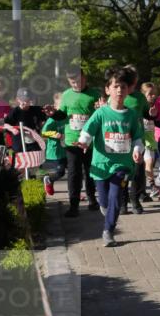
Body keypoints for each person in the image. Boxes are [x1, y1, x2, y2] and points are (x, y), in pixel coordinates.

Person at [77, 67, 145, 247]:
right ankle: (107, 210)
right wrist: (84, 142)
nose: (119, 90)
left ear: (128, 89)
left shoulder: (131, 115)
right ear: (107, 90)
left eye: (123, 86)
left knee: (116, 196)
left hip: (121, 165)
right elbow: (87, 131)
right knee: (105, 201)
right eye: (115, 86)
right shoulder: (101, 113)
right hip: (101, 164)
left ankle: (108, 231)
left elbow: (137, 137)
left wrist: (138, 150)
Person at [53, 70, 101, 217]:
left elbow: (101, 114)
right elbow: (62, 114)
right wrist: (52, 114)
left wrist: (101, 108)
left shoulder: (94, 94)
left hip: (90, 141)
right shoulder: (66, 95)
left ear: (85, 78)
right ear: (69, 82)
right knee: (74, 173)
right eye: (73, 82)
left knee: (90, 171)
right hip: (72, 141)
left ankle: (93, 200)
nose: (77, 84)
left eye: (79, 81)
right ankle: (74, 205)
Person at [122, 66, 150, 213]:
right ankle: (123, 202)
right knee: (124, 172)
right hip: (120, 141)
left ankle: (134, 199)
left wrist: (152, 113)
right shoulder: (118, 96)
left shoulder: (140, 97)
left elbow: (147, 113)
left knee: (138, 172)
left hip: (138, 139)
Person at [41, 91, 68, 195]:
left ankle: (75, 191)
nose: (61, 108)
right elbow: (44, 132)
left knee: (74, 171)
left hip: (66, 149)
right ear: (54, 106)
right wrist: (54, 134)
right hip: (55, 151)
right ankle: (49, 180)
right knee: (60, 173)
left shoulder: (65, 117)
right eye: (59, 106)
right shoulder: (52, 120)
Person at [139, 82, 159, 200]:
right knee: (149, 162)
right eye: (150, 94)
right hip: (143, 140)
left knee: (152, 163)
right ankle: (152, 186)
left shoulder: (157, 106)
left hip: (154, 139)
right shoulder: (140, 106)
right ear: (143, 95)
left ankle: (156, 181)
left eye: (154, 94)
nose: (152, 96)